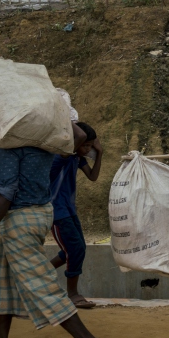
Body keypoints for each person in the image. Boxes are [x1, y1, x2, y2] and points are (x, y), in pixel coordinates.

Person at [0, 122, 107, 338]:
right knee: (2, 278)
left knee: (40, 284)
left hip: (20, 219)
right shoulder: (46, 140)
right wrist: (54, 114)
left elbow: (6, 192)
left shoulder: (12, 146)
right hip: (40, 213)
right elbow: (77, 134)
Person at [48, 121, 102, 310]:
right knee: (75, 250)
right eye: (86, 145)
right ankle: (72, 294)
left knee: (74, 249)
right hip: (56, 211)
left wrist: (100, 153)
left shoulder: (77, 159)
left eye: (90, 145)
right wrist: (67, 118)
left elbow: (93, 177)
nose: (88, 149)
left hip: (69, 210)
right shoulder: (60, 156)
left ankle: (38, 275)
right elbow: (77, 138)